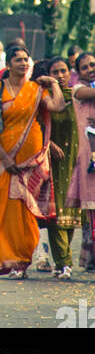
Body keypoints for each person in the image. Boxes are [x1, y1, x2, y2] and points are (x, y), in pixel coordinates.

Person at [0, 44, 65, 277]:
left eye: (26, 59)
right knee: (7, 208)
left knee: (27, 209)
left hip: (32, 159)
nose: (23, 62)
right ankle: (9, 259)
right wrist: (2, 155)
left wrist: (55, 84)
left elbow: (57, 106)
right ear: (8, 65)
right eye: (17, 59)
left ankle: (22, 261)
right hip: (2, 157)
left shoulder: (36, 89)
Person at [38, 55, 78, 279]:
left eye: (64, 71)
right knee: (56, 211)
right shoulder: (44, 97)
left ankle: (62, 260)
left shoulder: (77, 96)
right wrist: (49, 143)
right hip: (52, 160)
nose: (61, 76)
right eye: (56, 72)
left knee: (71, 212)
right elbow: (35, 123)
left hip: (75, 158)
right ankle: (64, 262)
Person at [65, 50, 95, 271]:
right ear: (78, 72)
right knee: (91, 209)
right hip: (88, 155)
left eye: (93, 65)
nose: (90, 69)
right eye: (85, 67)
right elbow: (86, 93)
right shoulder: (78, 90)